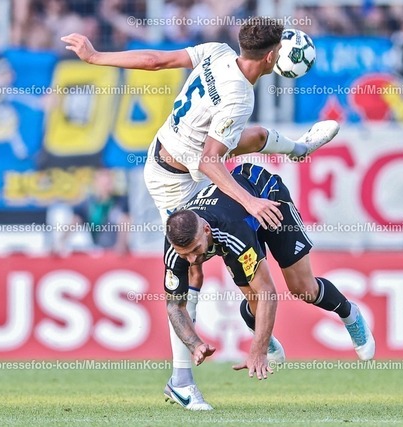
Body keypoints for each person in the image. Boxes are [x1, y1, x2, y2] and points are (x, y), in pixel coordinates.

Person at [62, 17, 339, 410]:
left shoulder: (216, 51)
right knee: (191, 266)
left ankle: (299, 149)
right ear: (273, 57)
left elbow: (155, 61)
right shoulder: (240, 97)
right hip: (175, 182)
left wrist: (95, 56)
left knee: (257, 137)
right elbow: (211, 161)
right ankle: (181, 380)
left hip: (172, 152)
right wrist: (250, 201)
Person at [164, 163, 375, 396]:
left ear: (206, 231)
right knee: (253, 301)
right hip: (236, 218)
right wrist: (194, 344)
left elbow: (268, 292)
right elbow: (174, 305)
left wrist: (258, 351)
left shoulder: (231, 231)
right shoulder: (176, 242)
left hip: (269, 201)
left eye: (196, 249)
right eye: (184, 254)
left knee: (303, 289)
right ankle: (260, 330)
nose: (192, 259)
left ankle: (349, 314)